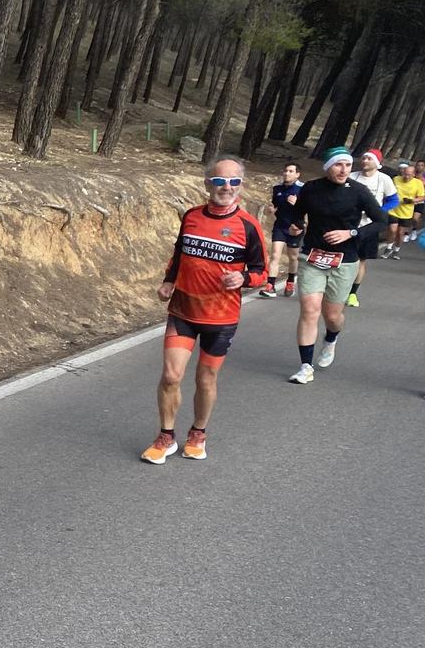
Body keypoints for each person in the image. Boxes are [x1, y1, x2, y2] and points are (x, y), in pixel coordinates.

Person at [142, 159, 266, 464]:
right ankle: (166, 436)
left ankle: (198, 432)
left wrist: (244, 278)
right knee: (171, 376)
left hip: (221, 318)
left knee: (206, 380)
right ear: (207, 184)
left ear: (241, 186)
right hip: (183, 310)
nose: (227, 187)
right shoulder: (192, 216)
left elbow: (262, 271)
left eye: (234, 182)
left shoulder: (248, 225)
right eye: (220, 181)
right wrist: (168, 281)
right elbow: (179, 253)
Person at [286, 148, 393, 384]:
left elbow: (381, 220)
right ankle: (305, 366)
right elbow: (297, 213)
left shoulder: (358, 191)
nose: (344, 169)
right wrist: (296, 226)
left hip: (344, 260)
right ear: (328, 167)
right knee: (309, 309)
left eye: (347, 165)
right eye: (338, 165)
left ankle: (331, 338)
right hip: (312, 256)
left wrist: (351, 233)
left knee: (332, 315)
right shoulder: (311, 189)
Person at [346, 148, 395, 304]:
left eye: (369, 159)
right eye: (364, 158)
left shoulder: (384, 179)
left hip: (369, 226)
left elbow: (394, 200)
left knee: (360, 260)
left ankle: (352, 293)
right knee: (343, 259)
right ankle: (337, 290)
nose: (365, 161)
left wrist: (378, 212)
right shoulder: (352, 177)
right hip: (347, 224)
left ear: (377, 163)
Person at [260, 162, 304, 297]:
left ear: (297, 174)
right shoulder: (277, 188)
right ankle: (270, 285)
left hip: (295, 227)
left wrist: (298, 204)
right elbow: (274, 204)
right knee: (274, 256)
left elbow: (309, 209)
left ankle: (290, 281)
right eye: (286, 171)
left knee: (292, 257)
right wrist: (271, 210)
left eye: (291, 171)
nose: (287, 173)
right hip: (280, 226)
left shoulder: (303, 189)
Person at [384, 161, 422, 257]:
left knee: (400, 233)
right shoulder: (396, 179)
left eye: (409, 175)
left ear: (414, 174)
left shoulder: (418, 183)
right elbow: (388, 191)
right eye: (405, 174)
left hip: (406, 212)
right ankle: (388, 248)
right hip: (394, 209)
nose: (407, 177)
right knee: (392, 230)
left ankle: (396, 249)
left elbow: (422, 196)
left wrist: (413, 200)